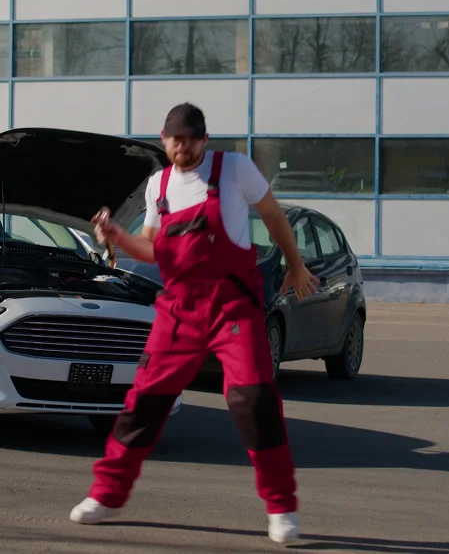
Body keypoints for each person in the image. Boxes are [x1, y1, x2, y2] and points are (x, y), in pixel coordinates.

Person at [70, 103, 318, 544]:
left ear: (205, 139)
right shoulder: (158, 185)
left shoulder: (235, 169)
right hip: (178, 310)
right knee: (143, 402)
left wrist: (296, 266)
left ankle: (281, 506)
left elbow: (274, 216)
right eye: (175, 140)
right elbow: (151, 249)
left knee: (254, 400)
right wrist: (117, 237)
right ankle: (107, 495)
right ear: (163, 139)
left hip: (232, 308)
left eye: (191, 140)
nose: (183, 147)